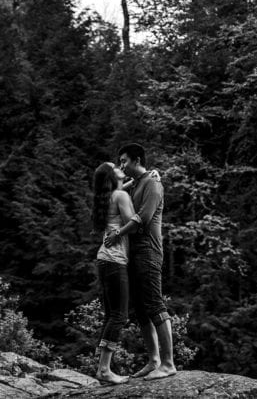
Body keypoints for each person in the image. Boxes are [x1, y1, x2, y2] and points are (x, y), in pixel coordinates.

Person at [105, 143, 177, 380]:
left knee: (155, 304)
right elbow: (114, 192)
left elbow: (143, 219)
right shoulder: (137, 183)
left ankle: (168, 363)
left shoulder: (153, 183)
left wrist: (118, 234)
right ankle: (154, 360)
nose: (121, 165)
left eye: (124, 160)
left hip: (149, 251)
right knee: (141, 309)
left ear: (136, 159)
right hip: (133, 253)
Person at [91, 162, 139, 384]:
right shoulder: (119, 195)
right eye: (115, 166)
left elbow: (120, 191)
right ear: (112, 176)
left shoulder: (109, 195)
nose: (119, 165)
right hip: (115, 261)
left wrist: (133, 183)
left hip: (104, 260)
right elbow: (135, 224)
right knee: (119, 316)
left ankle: (102, 368)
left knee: (111, 316)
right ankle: (104, 370)